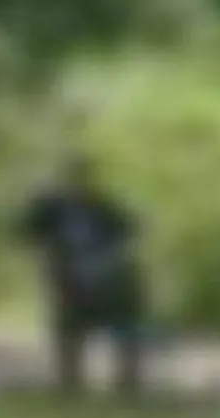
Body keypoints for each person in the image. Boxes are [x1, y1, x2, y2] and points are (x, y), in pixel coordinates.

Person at [20, 154, 146, 397]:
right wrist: (44, 255)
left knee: (123, 326)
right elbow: (27, 231)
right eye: (74, 179)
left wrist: (110, 260)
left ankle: (128, 381)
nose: (78, 185)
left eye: (83, 179)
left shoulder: (103, 206)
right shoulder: (51, 208)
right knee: (69, 329)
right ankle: (70, 382)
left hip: (103, 274)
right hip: (66, 274)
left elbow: (129, 230)